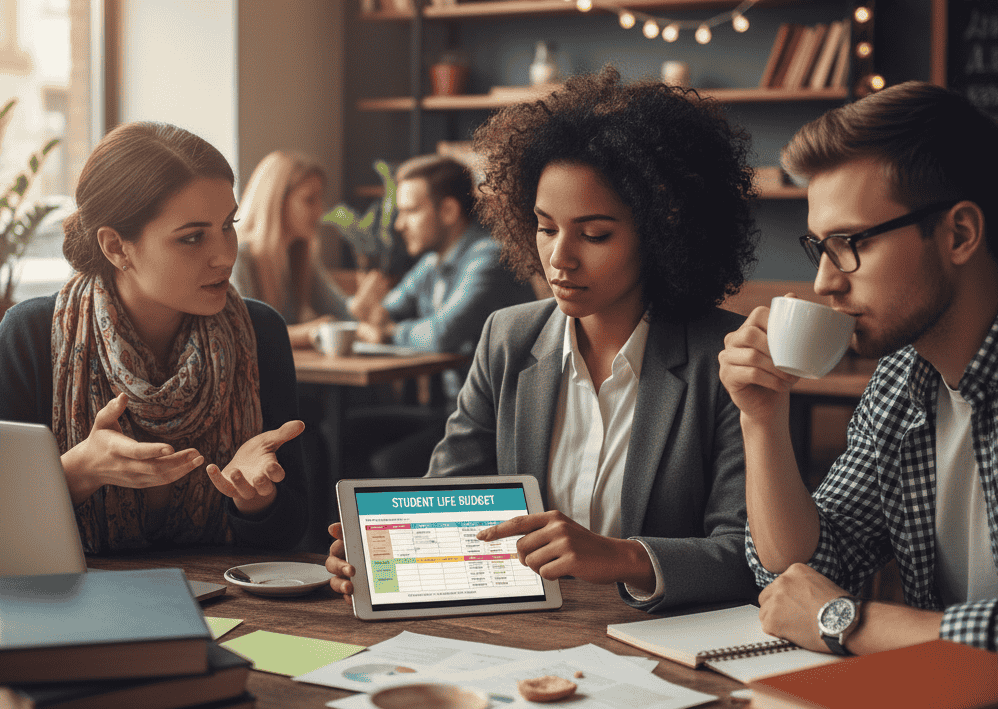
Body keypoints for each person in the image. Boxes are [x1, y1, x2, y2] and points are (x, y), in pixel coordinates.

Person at [328, 66, 761, 611]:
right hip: (525, 634)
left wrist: (623, 557)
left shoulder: (724, 357)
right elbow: (448, 496)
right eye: (545, 226)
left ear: (662, 230)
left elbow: (749, 558)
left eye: (595, 233)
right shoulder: (508, 337)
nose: (559, 259)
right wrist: (385, 551)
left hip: (662, 643)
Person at [718, 81, 998, 653]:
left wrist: (848, 623)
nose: (824, 281)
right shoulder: (903, 380)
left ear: (959, 234)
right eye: (820, 246)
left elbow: (820, 608)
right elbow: (799, 574)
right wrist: (762, 419)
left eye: (850, 242)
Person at [0, 122, 308, 553]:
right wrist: (77, 472)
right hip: (64, 609)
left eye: (228, 225)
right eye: (193, 237)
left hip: (230, 612)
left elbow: (293, 533)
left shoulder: (260, 333)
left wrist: (258, 501)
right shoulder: (30, 336)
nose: (226, 254)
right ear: (117, 247)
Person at [342, 154, 535, 478]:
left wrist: (387, 331)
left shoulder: (488, 258)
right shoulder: (433, 262)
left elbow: (443, 333)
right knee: (340, 436)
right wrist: (370, 310)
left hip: (497, 423)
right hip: (452, 412)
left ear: (447, 211)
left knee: (388, 463)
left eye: (410, 211)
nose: (400, 224)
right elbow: (387, 310)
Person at [232, 150, 353, 349]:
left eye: (320, 199)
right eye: (309, 200)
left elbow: (342, 311)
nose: (320, 211)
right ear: (278, 201)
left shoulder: (300, 257)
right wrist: (311, 332)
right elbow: (243, 333)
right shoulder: (238, 257)